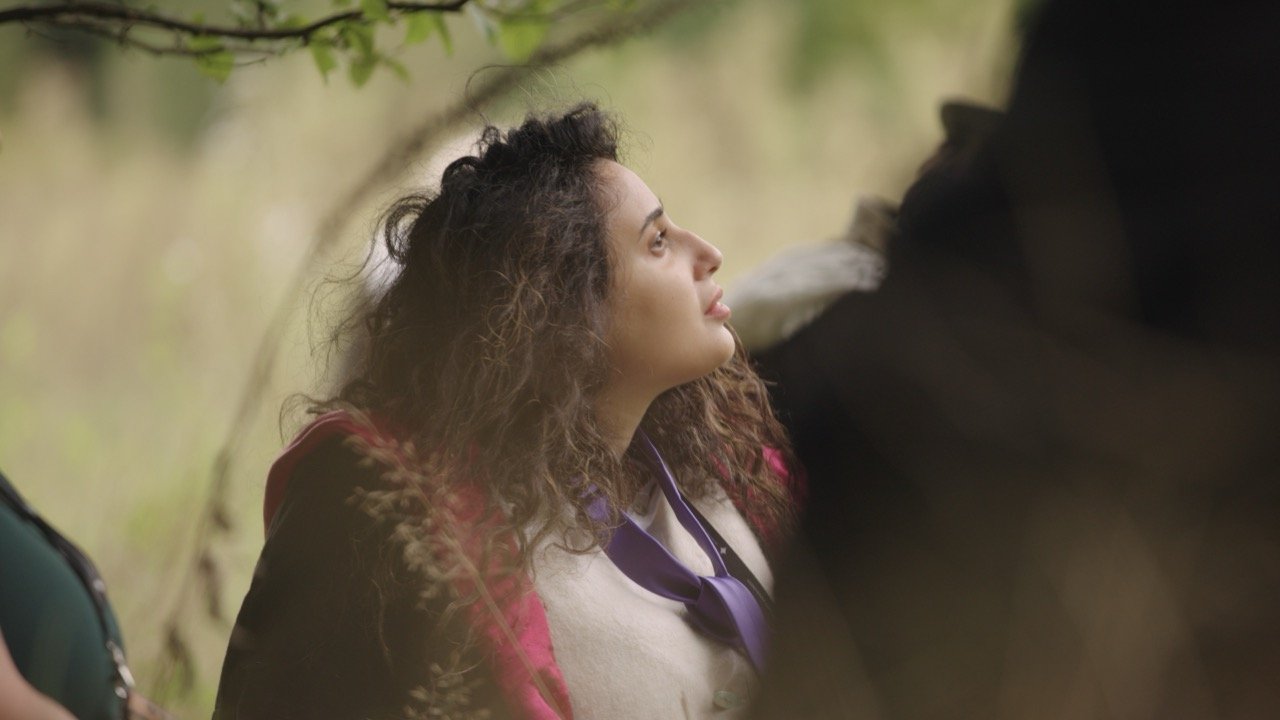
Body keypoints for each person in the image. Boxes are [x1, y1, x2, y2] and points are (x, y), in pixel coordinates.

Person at [214, 103, 799, 720]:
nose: (708, 252)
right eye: (658, 242)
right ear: (566, 311)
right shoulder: (408, 529)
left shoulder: (734, 468)